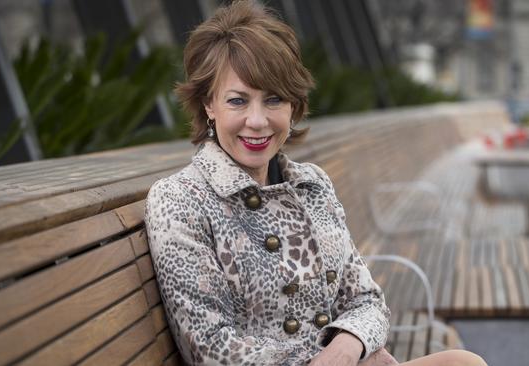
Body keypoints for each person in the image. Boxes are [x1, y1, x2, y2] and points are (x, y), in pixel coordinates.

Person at [145, 1, 487, 365]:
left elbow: (367, 301)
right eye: (238, 101)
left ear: (293, 106)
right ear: (209, 105)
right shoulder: (180, 201)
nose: (257, 121)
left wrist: (351, 344)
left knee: (464, 362)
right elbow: (212, 348)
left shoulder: (312, 185)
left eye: (273, 99)